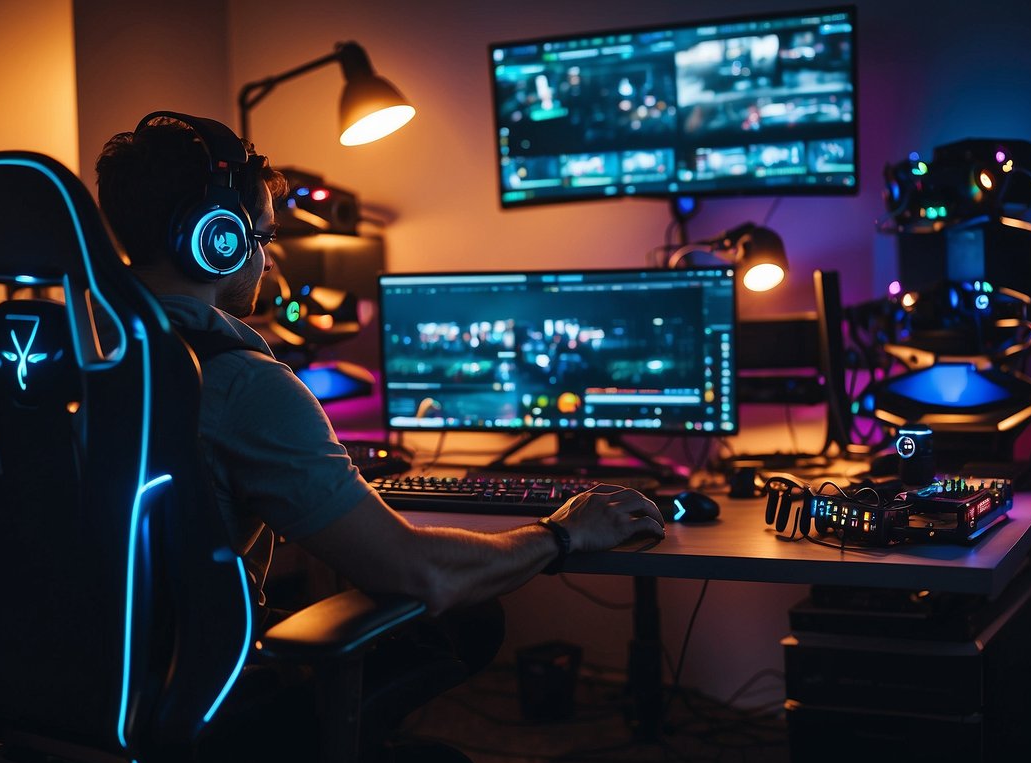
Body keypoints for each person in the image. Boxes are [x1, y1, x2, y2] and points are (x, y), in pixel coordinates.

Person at [95, 113, 667, 629]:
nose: (268, 259)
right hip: (202, 693)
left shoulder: (79, 357)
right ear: (215, 239)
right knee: (472, 625)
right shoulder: (240, 381)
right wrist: (562, 534)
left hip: (89, 681)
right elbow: (423, 575)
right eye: (261, 238)